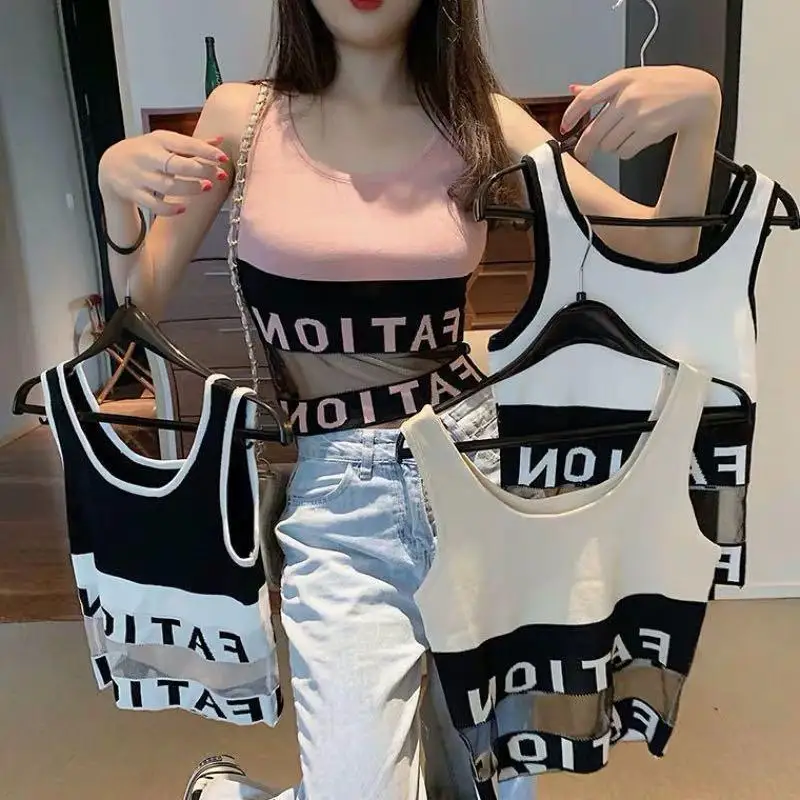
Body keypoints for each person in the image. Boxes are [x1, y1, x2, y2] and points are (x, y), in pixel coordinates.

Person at [97, 1, 723, 798]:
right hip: (338, 504)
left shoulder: (479, 121)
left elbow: (661, 247)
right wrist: (117, 192)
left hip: (478, 480)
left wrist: (700, 113)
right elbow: (140, 301)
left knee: (492, 780)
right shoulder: (242, 119)